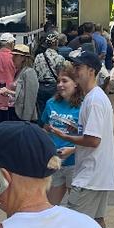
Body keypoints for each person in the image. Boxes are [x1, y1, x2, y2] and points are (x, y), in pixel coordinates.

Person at [50, 51, 114, 228]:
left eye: (78, 67)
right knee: (96, 222)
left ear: (91, 71)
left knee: (75, 226)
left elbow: (93, 140)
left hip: (90, 176)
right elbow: (93, 135)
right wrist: (76, 132)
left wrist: (65, 137)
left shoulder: (94, 99)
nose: (75, 70)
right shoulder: (94, 97)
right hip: (99, 175)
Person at [40, 63, 82, 205]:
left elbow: (91, 139)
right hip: (54, 163)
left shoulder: (84, 106)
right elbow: (45, 128)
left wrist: (73, 149)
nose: (60, 85)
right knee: (48, 208)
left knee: (77, 209)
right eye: (58, 81)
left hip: (75, 164)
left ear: (76, 83)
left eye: (65, 81)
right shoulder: (51, 103)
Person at [0, 44, 38, 122]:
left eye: (16, 56)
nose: (13, 58)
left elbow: (29, 97)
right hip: (14, 110)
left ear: (23, 58)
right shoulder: (19, 71)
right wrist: (8, 94)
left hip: (22, 114)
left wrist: (27, 119)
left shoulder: (29, 72)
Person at [34, 32, 65, 116]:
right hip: (53, 87)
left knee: (41, 110)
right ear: (56, 43)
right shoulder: (60, 58)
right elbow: (61, 75)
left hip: (40, 86)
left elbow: (35, 71)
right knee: (53, 109)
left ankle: (41, 126)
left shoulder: (38, 56)